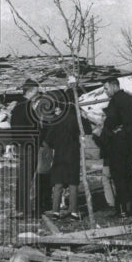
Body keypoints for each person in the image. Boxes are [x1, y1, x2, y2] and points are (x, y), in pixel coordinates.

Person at [102, 76, 132, 218]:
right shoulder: (131, 99)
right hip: (130, 139)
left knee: (118, 175)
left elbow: (111, 120)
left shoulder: (115, 101)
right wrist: (130, 125)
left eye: (106, 88)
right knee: (129, 173)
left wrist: (110, 127)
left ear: (114, 86)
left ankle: (122, 209)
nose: (105, 91)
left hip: (118, 141)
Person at [41, 88, 84, 220]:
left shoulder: (57, 119)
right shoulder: (76, 117)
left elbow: (49, 139)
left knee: (58, 183)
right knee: (73, 183)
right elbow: (84, 130)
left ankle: (55, 211)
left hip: (60, 153)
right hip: (73, 153)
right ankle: (74, 211)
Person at [9, 79, 43, 223]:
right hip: (29, 147)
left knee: (23, 178)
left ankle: (21, 208)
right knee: (26, 179)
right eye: (36, 91)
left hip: (22, 146)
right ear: (29, 92)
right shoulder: (26, 107)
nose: (38, 94)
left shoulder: (18, 107)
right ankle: (23, 210)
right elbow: (34, 129)